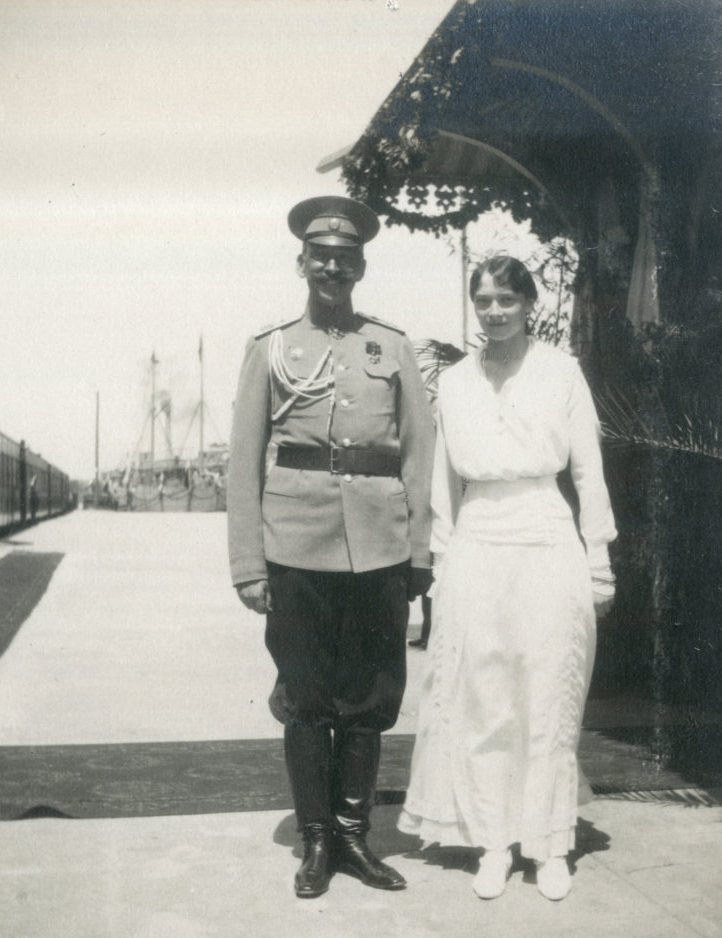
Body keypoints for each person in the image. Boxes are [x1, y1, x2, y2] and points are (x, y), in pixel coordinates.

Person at [227, 195, 435, 900]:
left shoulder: (392, 347)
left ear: (361, 267)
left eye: (345, 259)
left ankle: (354, 835)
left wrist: (420, 553)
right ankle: (316, 841)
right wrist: (248, 564)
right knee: (307, 695)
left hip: (379, 547)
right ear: (302, 263)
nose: (333, 268)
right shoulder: (272, 349)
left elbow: (417, 456)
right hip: (297, 545)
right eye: (321, 257)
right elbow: (244, 462)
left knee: (372, 696)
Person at [397, 255, 616, 902]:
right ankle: (494, 842)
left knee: (549, 691)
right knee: (485, 696)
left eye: (506, 300)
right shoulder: (458, 382)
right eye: (483, 301)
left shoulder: (561, 372)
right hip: (478, 539)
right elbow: (443, 484)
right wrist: (441, 560)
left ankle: (550, 844)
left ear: (528, 303)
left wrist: (599, 558)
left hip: (547, 533)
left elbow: (588, 471)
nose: (494, 312)